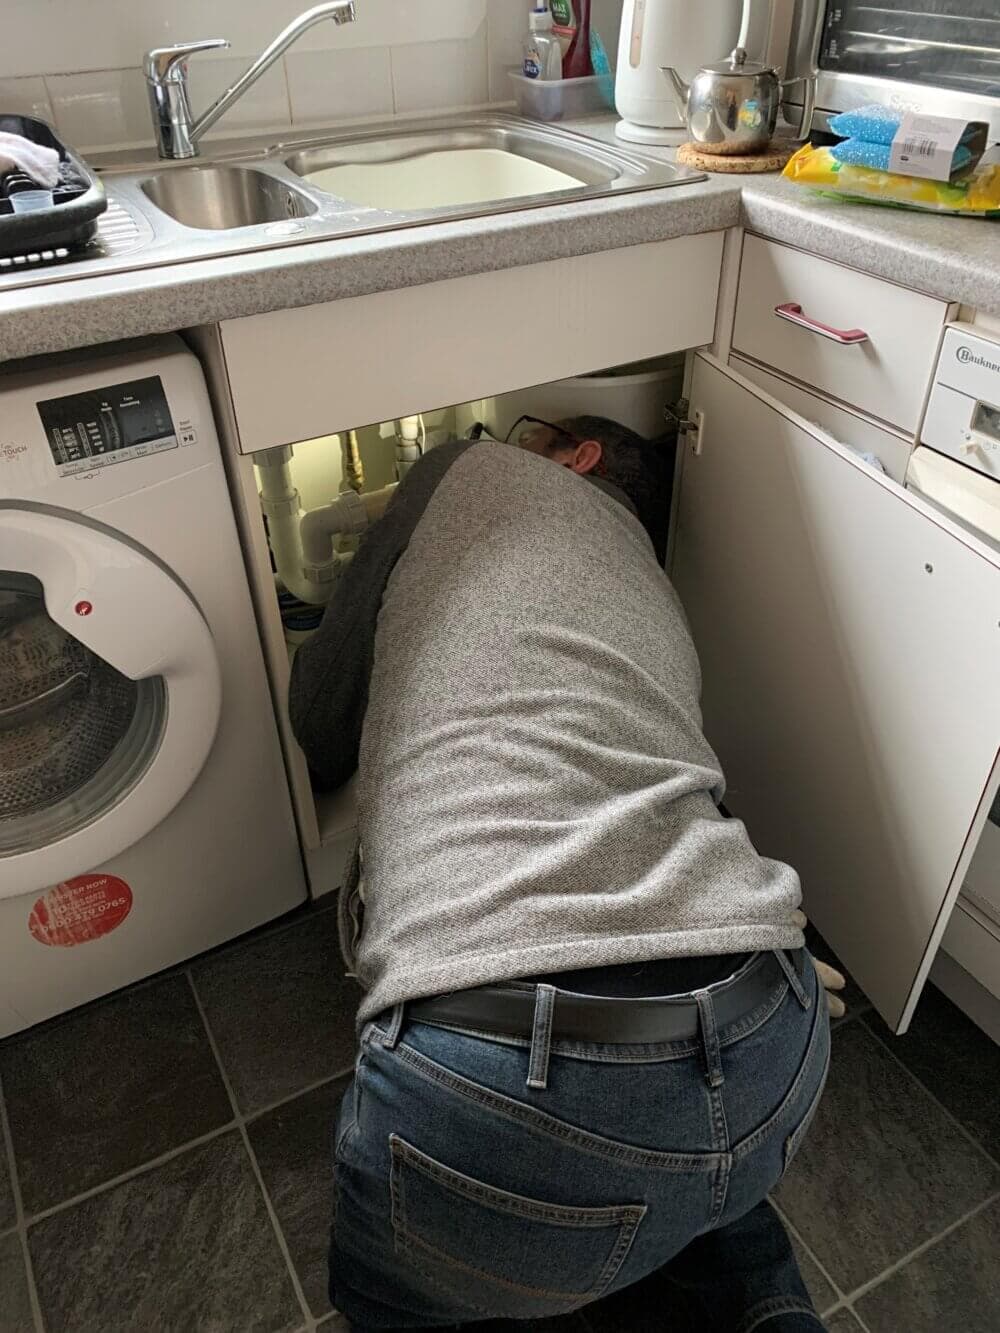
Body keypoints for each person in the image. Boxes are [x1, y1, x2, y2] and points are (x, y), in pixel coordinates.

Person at [289, 414, 845, 1332]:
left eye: (529, 432)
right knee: (695, 1190)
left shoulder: (470, 465)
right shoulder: (649, 582)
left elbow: (319, 719)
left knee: (411, 1295)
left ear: (577, 456)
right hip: (775, 1030)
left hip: (491, 1089)